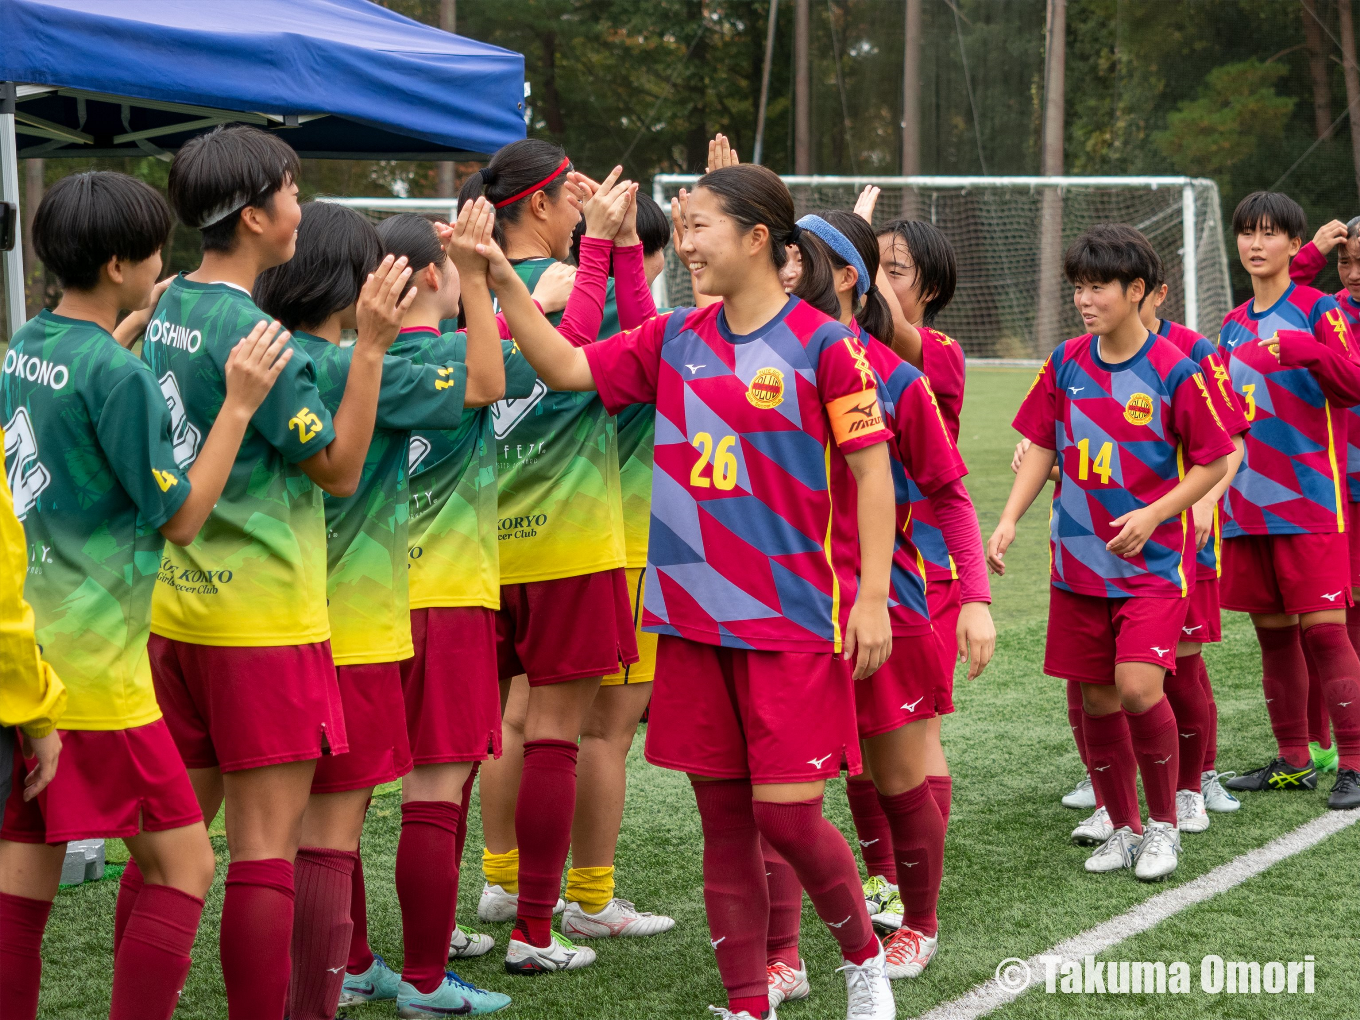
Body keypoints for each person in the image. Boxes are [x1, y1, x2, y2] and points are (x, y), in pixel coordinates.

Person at [470, 163, 901, 1020]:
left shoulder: (826, 346)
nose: (687, 242)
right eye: (686, 225)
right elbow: (560, 366)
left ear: (756, 239)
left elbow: (873, 473)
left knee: (786, 818)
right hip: (693, 622)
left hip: (790, 623)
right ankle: (748, 1002)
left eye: (700, 225)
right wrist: (498, 280)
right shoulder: (675, 338)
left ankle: (862, 961)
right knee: (724, 828)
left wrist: (873, 597)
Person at [0, 170, 291, 1020]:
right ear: (125, 262)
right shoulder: (117, 378)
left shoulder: (25, 345)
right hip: (100, 677)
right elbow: (184, 519)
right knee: (188, 866)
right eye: (157, 247)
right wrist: (237, 405)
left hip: (30, 663)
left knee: (22, 884)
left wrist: (120, 335)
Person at [140, 124, 411, 1020]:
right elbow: (335, 470)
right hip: (263, 628)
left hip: (177, 618)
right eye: (293, 193)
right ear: (256, 217)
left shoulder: (172, 300)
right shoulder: (253, 331)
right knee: (265, 853)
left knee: (168, 853)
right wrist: (369, 348)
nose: (302, 208)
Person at [253, 201, 509, 1018]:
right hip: (368, 621)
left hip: (272, 620)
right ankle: (405, 982)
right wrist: (474, 274)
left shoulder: (263, 355)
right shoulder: (380, 366)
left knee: (279, 832)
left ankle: (348, 965)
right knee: (344, 822)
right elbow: (489, 379)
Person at [761, 209, 994, 1003]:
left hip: (883, 606)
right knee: (782, 788)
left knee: (900, 777)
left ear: (841, 276)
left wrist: (976, 600)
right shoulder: (755, 360)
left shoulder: (896, 376)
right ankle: (781, 952)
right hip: (783, 613)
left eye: (799, 255)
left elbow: (951, 497)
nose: (785, 266)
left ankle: (917, 921)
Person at [988, 225, 1235, 881]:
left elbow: (1216, 458)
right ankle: (1123, 828)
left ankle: (1163, 827)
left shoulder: (1175, 371)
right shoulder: (1066, 361)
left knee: (1136, 688)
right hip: (1076, 570)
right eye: (1078, 286)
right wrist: (1010, 518)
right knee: (1096, 700)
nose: (1084, 298)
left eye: (1096, 286)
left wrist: (1157, 513)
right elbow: (1041, 443)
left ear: (1135, 292)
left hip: (1151, 571)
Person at [453, 140, 640, 975]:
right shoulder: (564, 288)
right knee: (557, 737)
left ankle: (493, 894)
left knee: (479, 736)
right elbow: (593, 355)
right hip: (566, 547)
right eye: (574, 199)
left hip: (476, 550)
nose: (581, 211)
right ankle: (535, 930)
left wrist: (606, 245)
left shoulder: (460, 287)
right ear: (542, 203)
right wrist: (607, 245)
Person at [1216, 192, 1360, 810]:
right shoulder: (1231, 324)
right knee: (1273, 639)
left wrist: (1308, 350)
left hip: (1310, 500)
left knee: (1326, 635)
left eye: (1270, 233)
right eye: (1248, 232)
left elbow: (1353, 383)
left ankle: (1353, 763)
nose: (1256, 243)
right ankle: (1294, 760)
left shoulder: (1320, 310)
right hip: (1245, 505)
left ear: (1296, 247)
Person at [561, 191, 679, 940]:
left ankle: (504, 880)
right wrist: (628, 249)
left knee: (528, 721)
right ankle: (591, 897)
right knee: (605, 734)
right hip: (627, 544)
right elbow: (648, 327)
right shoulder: (639, 331)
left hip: (539, 542)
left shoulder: (541, 307)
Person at [1127, 246, 1248, 834]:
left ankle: (1197, 780)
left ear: (1153, 292)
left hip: (1183, 543)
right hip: (1109, 543)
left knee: (1184, 663)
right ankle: (1117, 783)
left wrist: (1204, 500)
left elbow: (1232, 444)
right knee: (1105, 672)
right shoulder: (1082, 358)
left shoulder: (1194, 352)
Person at [1288, 215, 1360, 775]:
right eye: (1345, 261)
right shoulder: (1328, 309)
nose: (1353, 274)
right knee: (1337, 612)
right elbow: (1275, 296)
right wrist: (1312, 252)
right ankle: (1317, 739)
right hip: (1336, 484)